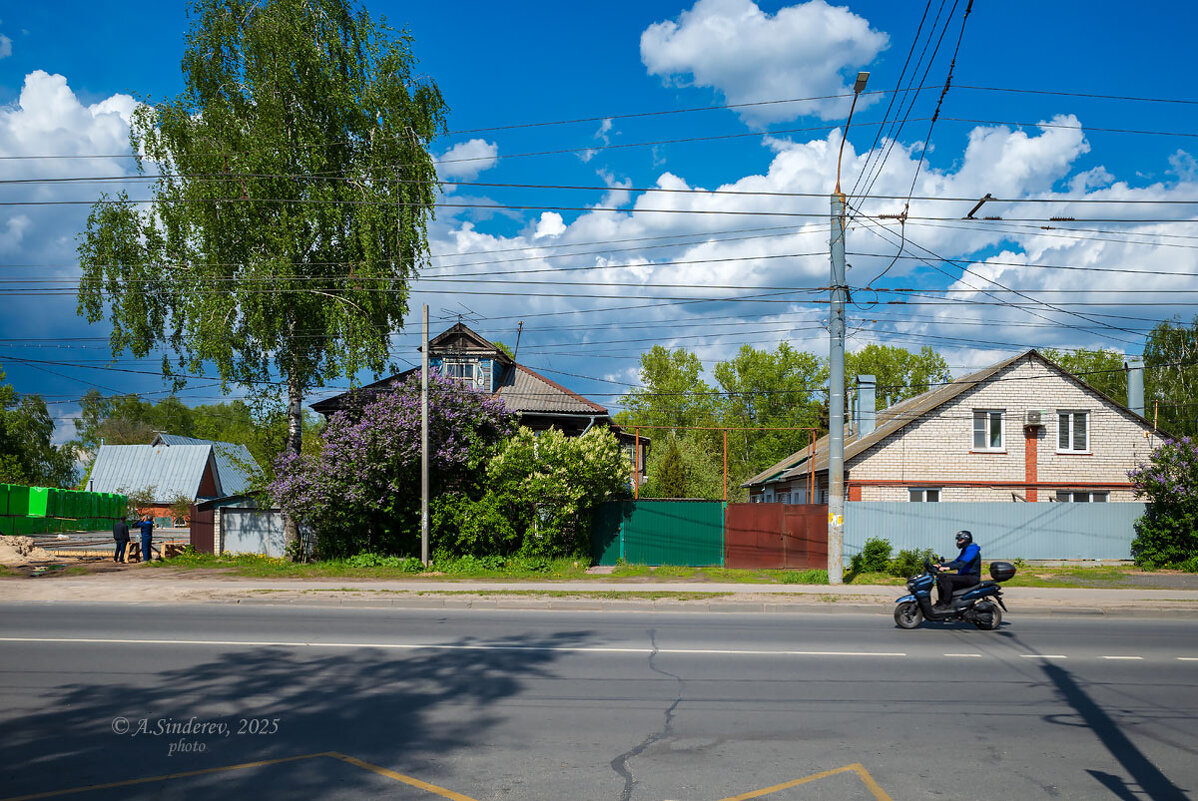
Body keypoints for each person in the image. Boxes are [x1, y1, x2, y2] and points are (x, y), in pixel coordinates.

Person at [935, 530, 981, 609]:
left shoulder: (972, 549)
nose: (958, 542)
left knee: (946, 579)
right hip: (964, 576)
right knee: (940, 577)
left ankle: (946, 603)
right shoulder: (966, 549)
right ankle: (941, 602)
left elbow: (962, 564)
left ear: (967, 539)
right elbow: (955, 562)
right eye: (958, 540)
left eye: (960, 540)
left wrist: (947, 568)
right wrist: (940, 565)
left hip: (972, 577)